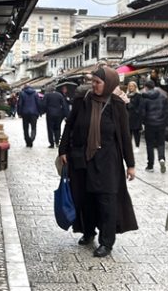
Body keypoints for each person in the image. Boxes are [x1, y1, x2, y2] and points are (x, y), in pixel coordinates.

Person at [58, 66, 138, 258]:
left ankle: (106, 242)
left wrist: (131, 164)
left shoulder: (117, 104)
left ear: (108, 83)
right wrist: (63, 150)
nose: (93, 85)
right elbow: (70, 123)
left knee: (107, 201)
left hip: (108, 161)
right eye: (92, 81)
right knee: (85, 198)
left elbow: (125, 136)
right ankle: (88, 231)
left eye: (97, 82)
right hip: (82, 157)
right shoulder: (82, 100)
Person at [140, 79, 168, 173]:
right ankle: (161, 158)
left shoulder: (144, 97)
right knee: (161, 142)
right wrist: (165, 121)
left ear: (146, 87)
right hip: (161, 124)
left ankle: (150, 165)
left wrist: (143, 122)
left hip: (149, 124)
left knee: (150, 145)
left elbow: (142, 112)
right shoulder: (163, 96)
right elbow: (166, 110)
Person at [125, 81, 143, 154]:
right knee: (128, 134)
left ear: (135, 87)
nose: (131, 87)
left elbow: (139, 107)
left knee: (136, 133)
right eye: (130, 86)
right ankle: (129, 147)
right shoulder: (127, 95)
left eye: (132, 86)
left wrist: (129, 103)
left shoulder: (138, 96)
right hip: (128, 117)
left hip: (136, 118)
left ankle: (137, 146)